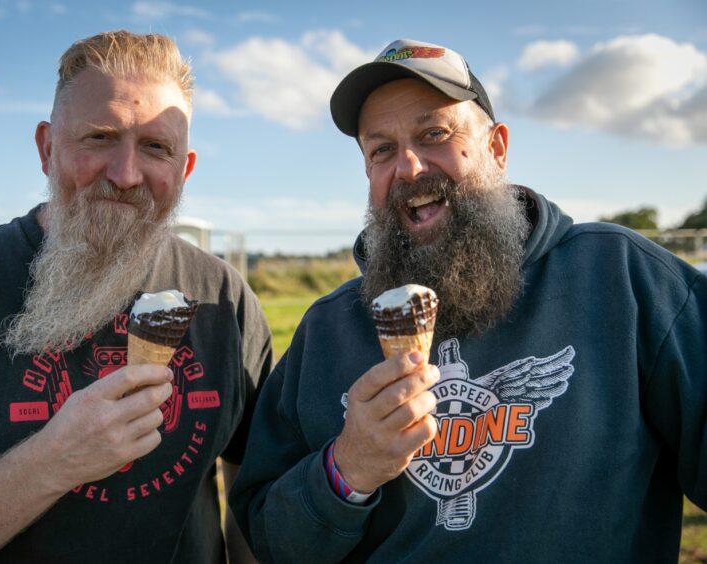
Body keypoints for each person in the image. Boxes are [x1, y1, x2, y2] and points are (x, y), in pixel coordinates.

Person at [229, 38, 707, 562]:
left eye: (434, 133)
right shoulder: (327, 331)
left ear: (497, 148)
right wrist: (346, 472)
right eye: (381, 149)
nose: (408, 167)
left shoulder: (621, 279)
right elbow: (267, 540)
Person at [0, 30, 272, 563]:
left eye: (155, 147)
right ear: (46, 147)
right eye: (100, 137)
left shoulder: (225, 301)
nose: (126, 175)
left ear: (184, 168)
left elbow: (251, 504)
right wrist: (52, 462)